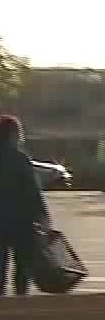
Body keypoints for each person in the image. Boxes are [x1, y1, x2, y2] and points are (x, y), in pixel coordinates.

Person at [0, 115, 50, 296]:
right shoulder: (19, 158)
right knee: (23, 267)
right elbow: (32, 190)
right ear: (13, 134)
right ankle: (20, 301)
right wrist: (43, 217)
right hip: (21, 221)